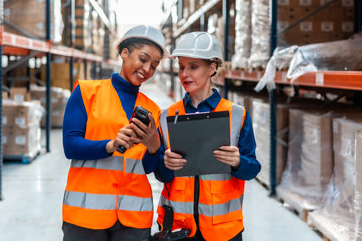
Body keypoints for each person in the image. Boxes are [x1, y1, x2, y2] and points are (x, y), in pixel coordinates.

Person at [61, 25, 169, 241]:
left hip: (133, 217)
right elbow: (70, 146)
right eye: (143, 58)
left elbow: (147, 168)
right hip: (86, 216)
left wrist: (154, 146)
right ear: (124, 53)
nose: (147, 69)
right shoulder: (86, 92)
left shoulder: (153, 110)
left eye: (154, 65)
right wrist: (109, 146)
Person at [155, 32, 261, 241]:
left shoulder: (236, 115)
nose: (184, 74)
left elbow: (252, 169)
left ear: (212, 67)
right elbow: (161, 175)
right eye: (181, 67)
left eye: (193, 67)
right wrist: (165, 164)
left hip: (222, 231)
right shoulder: (167, 116)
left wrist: (238, 162)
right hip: (178, 228)